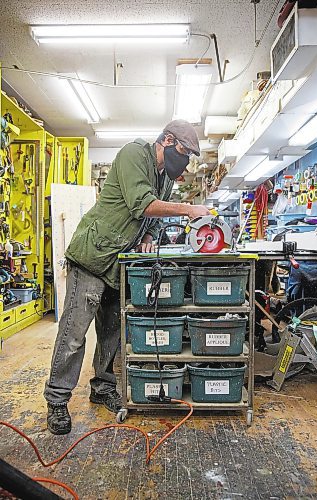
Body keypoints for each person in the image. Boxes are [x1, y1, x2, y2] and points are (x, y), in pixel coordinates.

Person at [44, 119, 210, 434]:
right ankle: (57, 400)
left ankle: (102, 387)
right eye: (184, 153)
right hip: (93, 255)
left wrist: (150, 235)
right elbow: (142, 204)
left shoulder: (165, 178)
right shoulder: (135, 153)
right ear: (167, 139)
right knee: (74, 334)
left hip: (119, 262)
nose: (186, 162)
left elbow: (152, 219)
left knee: (111, 333)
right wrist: (188, 209)